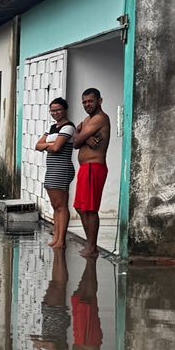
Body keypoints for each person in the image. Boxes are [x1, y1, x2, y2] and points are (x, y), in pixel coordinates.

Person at [71, 88, 112, 259]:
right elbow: (76, 138)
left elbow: (75, 142)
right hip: (85, 168)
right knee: (80, 208)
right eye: (84, 102)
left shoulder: (100, 119)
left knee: (90, 209)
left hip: (94, 167)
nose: (87, 104)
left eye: (90, 101)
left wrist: (80, 136)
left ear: (99, 101)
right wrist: (82, 136)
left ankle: (92, 247)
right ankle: (90, 243)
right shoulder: (88, 120)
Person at [34, 97, 77, 250]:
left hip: (62, 169)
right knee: (55, 206)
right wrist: (50, 144)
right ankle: (57, 237)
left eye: (58, 109)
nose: (55, 113)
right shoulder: (52, 128)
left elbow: (57, 148)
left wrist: (48, 145)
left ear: (65, 109)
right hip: (52, 169)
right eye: (52, 110)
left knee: (61, 206)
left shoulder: (68, 127)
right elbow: (37, 145)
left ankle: (61, 240)